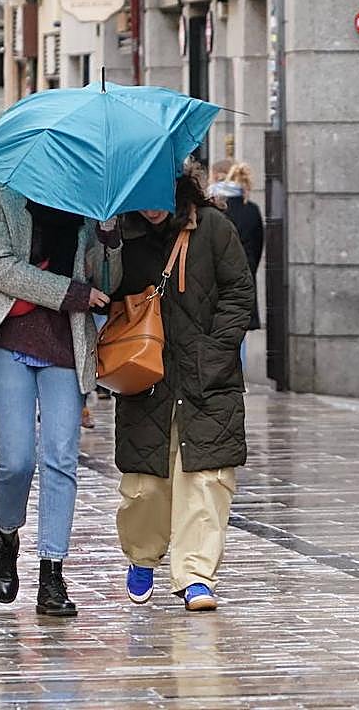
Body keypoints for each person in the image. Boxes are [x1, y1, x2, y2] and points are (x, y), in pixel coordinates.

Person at [0, 183, 122, 618]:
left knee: (61, 456)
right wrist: (68, 292)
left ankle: (52, 572)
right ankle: (7, 535)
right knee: (16, 459)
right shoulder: (4, 194)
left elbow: (106, 284)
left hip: (66, 342)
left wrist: (109, 236)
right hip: (8, 336)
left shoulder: (89, 199)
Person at [112, 163, 254, 612]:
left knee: (207, 479)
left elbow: (239, 293)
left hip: (207, 377)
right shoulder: (123, 235)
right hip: (146, 374)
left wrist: (215, 353)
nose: (152, 208)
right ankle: (142, 556)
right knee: (145, 485)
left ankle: (196, 575)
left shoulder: (213, 227)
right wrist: (105, 242)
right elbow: (106, 290)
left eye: (159, 194)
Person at [208, 162, 264, 364]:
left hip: (213, 279)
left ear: (214, 176)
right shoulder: (251, 209)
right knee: (237, 332)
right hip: (243, 277)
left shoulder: (210, 208)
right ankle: (236, 376)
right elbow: (257, 249)